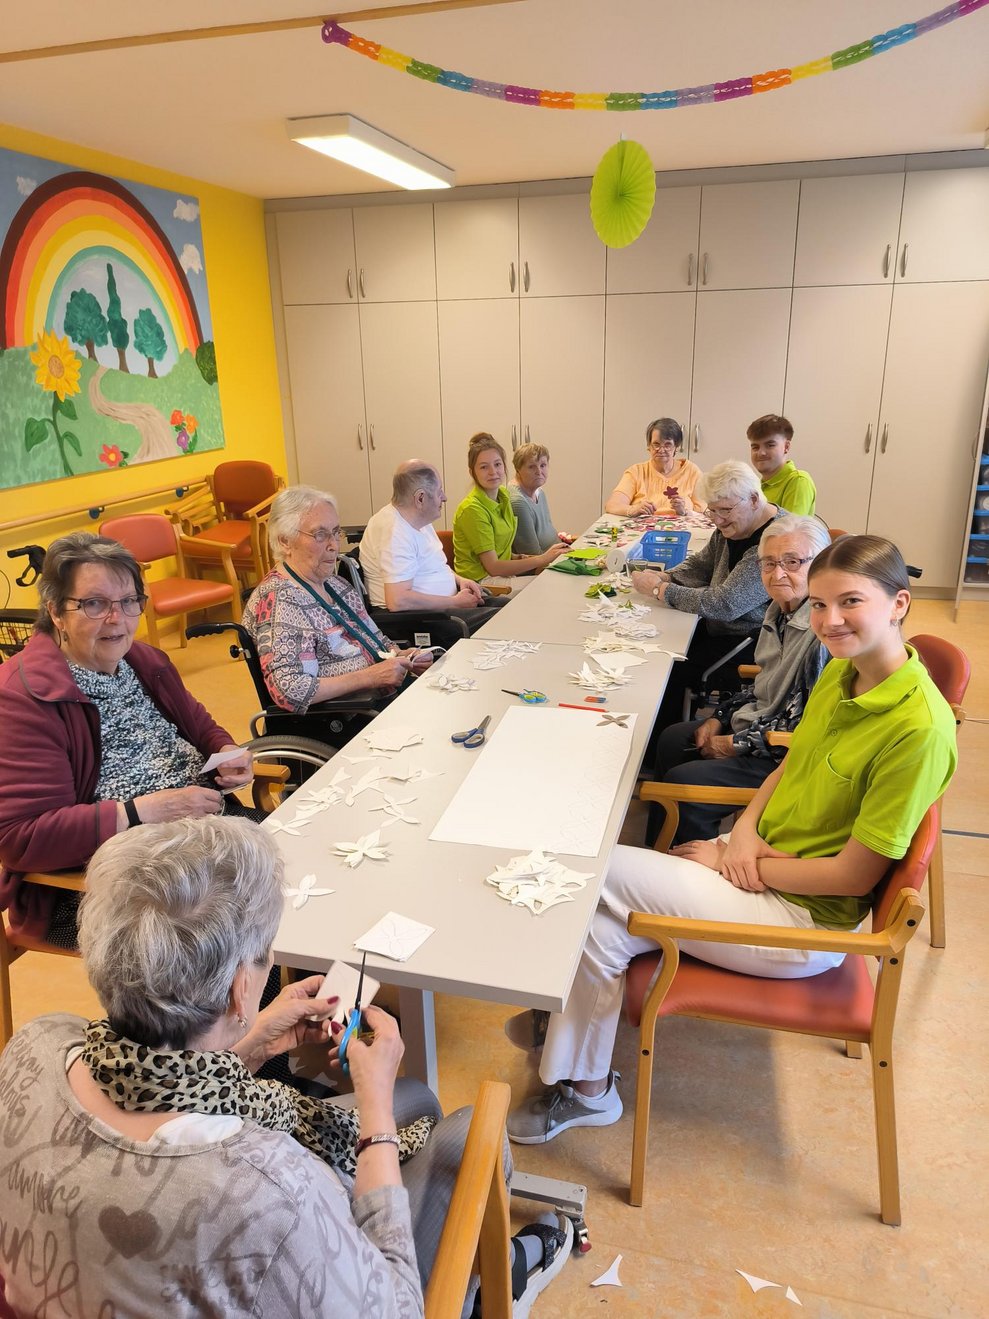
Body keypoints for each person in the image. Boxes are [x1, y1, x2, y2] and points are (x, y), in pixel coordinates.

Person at [0, 816, 573, 1317]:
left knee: (418, 1099)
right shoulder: (274, 1189)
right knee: (469, 1132)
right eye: (264, 956)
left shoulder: (37, 1043)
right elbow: (395, 1308)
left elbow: (163, 1088)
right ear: (238, 989)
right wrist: (375, 1107)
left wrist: (251, 1043)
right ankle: (493, 1285)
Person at [505, 534, 956, 1144]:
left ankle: (557, 1018)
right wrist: (740, 834)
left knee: (591, 872)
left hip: (802, 921)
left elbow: (852, 877)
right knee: (603, 930)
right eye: (819, 605)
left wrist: (736, 863)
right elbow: (786, 766)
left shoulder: (918, 729)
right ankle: (589, 1090)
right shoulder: (844, 672)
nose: (830, 620)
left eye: (850, 602)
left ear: (899, 603)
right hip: (762, 871)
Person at [0, 532, 254, 950]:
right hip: (108, 887)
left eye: (129, 600)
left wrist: (224, 750)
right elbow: (21, 838)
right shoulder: (23, 697)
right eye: (95, 604)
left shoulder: (141, 659)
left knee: (315, 876)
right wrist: (142, 812)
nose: (117, 619)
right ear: (56, 612)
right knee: (249, 946)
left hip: (205, 833)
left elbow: (198, 722)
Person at [649, 514, 831, 845]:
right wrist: (719, 718)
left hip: (786, 756)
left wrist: (734, 743)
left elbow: (802, 725)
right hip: (762, 726)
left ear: (820, 566)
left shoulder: (823, 634)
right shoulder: (778, 610)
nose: (777, 573)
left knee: (685, 782)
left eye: (792, 562)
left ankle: (690, 861)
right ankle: (663, 847)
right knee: (673, 739)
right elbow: (762, 684)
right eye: (769, 563)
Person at [244, 485, 433, 715]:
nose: (334, 545)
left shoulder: (336, 585)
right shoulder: (279, 600)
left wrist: (403, 656)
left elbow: (377, 641)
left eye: (335, 532)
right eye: (320, 534)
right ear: (285, 541)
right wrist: (370, 677)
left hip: (382, 701)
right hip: (348, 717)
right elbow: (290, 690)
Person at [632, 460, 784, 725]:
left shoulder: (774, 542)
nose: (717, 519)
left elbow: (725, 604)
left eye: (724, 510)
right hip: (724, 627)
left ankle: (662, 740)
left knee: (671, 669)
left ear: (753, 499)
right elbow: (702, 564)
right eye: (712, 511)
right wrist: (667, 576)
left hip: (753, 640)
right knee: (662, 645)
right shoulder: (734, 524)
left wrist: (660, 589)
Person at [359, 460, 504, 636]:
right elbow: (398, 600)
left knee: (511, 606)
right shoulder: (394, 531)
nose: (444, 497)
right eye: (439, 491)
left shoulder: (419, 519)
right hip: (419, 620)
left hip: (445, 606)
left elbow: (434, 566)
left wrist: (459, 580)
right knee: (506, 619)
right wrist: (455, 602)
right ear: (420, 498)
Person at [452, 434, 568, 590]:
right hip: (480, 582)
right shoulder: (472, 509)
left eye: (497, 464)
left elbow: (499, 549)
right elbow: (493, 567)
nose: (493, 472)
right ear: (472, 472)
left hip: (502, 576)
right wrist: (543, 558)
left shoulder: (503, 496)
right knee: (549, 585)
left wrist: (516, 557)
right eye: (484, 467)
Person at [604, 418, 705, 518]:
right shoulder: (636, 471)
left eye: (668, 445)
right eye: (656, 444)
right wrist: (633, 509)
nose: (661, 450)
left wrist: (684, 511)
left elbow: (704, 511)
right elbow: (612, 505)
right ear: (649, 446)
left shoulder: (692, 471)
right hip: (642, 527)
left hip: (683, 527)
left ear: (676, 446)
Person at [747, 413, 817, 515]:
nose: (761, 453)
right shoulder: (755, 487)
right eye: (755, 447)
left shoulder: (798, 481)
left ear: (786, 447)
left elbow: (790, 525)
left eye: (770, 445)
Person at [508, 442, 568, 554]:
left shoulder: (539, 492)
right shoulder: (518, 502)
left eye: (543, 465)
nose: (539, 472)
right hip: (545, 563)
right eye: (531, 467)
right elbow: (532, 555)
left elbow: (548, 534)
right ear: (518, 469)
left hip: (557, 553)